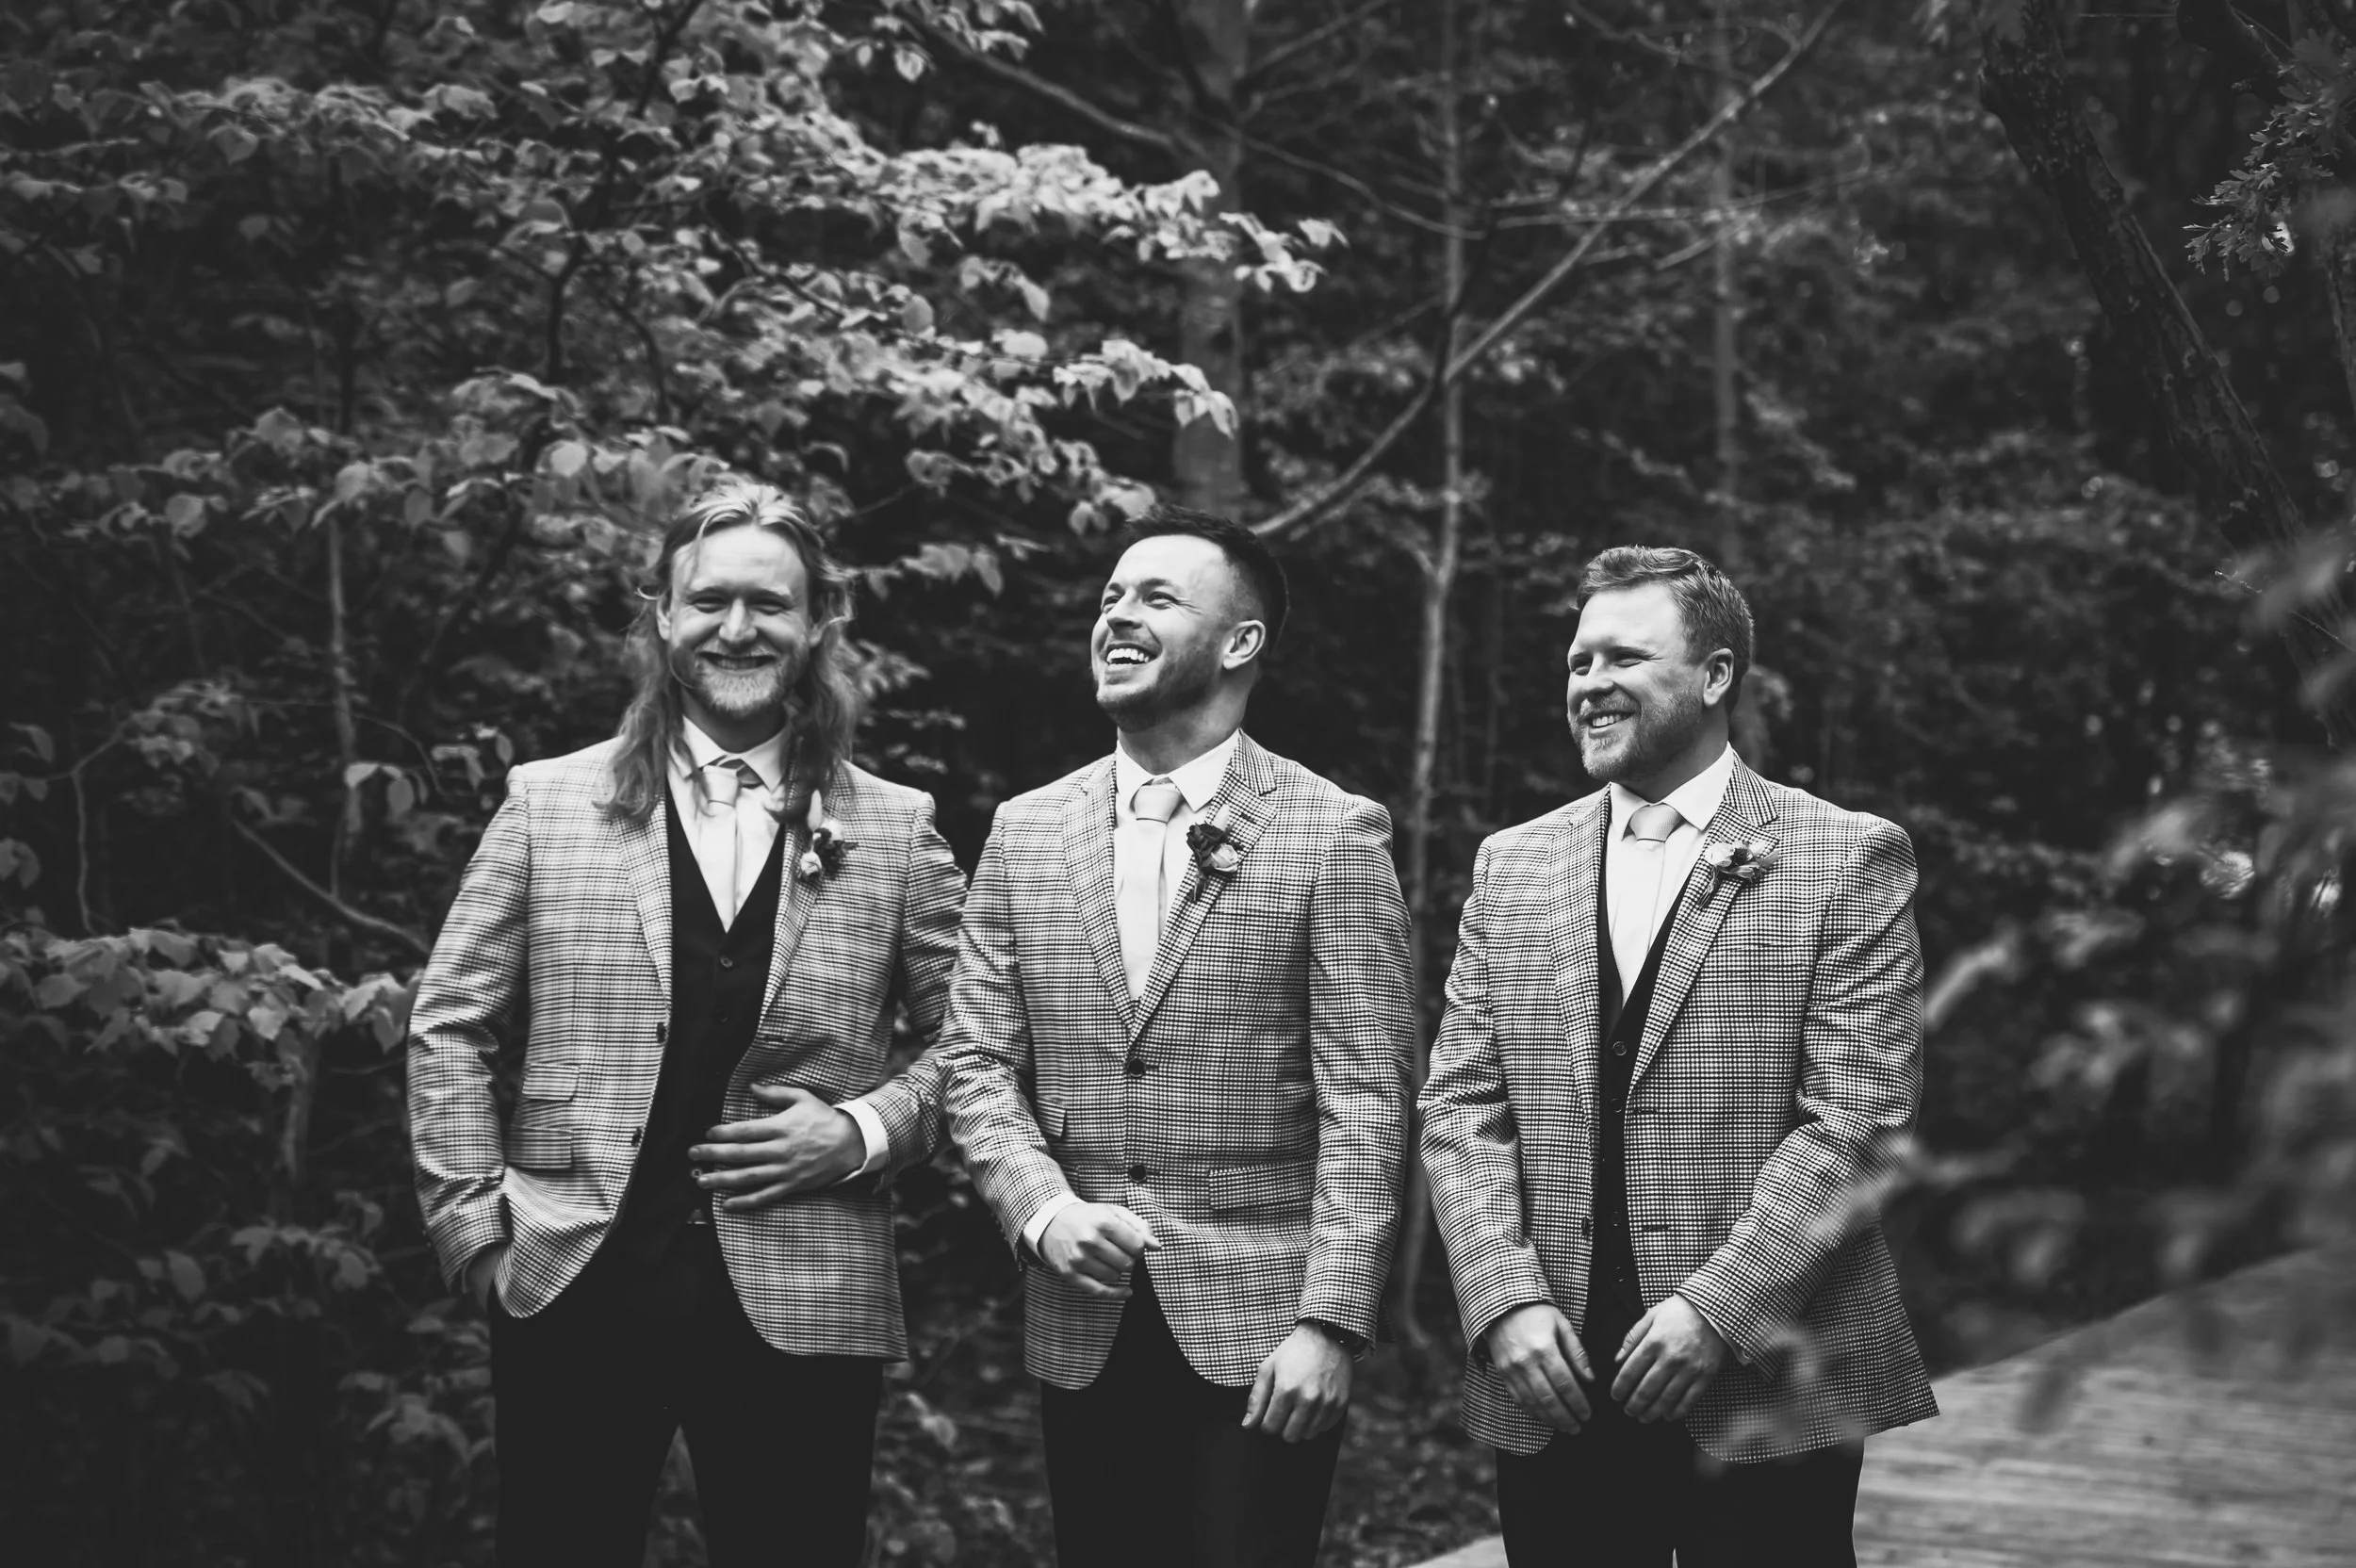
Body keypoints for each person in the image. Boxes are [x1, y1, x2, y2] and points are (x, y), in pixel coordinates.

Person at [406, 478, 965, 1567]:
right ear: (662, 615)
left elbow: (978, 1043)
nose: (738, 627)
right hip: (573, 1274)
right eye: (708, 600)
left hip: (805, 1287)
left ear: (815, 625)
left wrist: (863, 1129)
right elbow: (451, 1019)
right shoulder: (547, 800)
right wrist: (469, 1225)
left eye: (770, 603)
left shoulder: (896, 828)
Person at [1419, 546, 1937, 1568]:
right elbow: (1460, 1106)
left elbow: (1858, 1121)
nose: (1590, 683)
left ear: (1714, 676)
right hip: (1551, 1374)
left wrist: (1715, 1309)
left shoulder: (1846, 856)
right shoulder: (1510, 864)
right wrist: (1502, 1299)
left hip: (1767, 1378)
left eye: (1623, 656)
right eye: (1577, 661)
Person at [941, 505, 1414, 1568]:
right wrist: (1040, 1204)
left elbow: (1369, 1099)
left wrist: (1331, 1322)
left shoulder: (1333, 832)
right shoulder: (1025, 828)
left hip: (1263, 1328)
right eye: (1110, 596)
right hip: (1081, 1316)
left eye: (1156, 597)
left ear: (1240, 642)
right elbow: (973, 1060)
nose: (1117, 614)